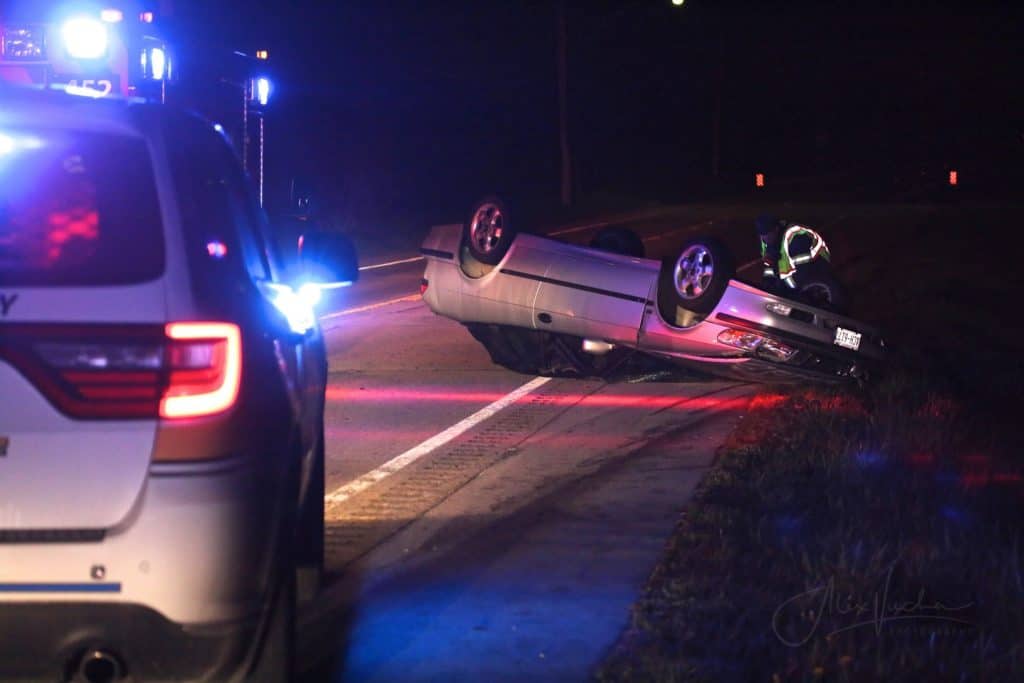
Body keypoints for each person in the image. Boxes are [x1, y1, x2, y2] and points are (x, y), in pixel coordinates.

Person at [756, 214, 832, 296]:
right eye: (763, 236)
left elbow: (803, 271)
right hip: (797, 274)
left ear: (776, 229)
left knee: (804, 294)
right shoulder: (766, 241)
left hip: (817, 264)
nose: (765, 239)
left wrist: (783, 288)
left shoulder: (796, 237)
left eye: (768, 235)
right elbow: (769, 267)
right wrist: (767, 285)